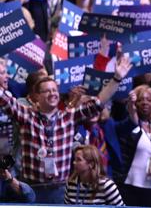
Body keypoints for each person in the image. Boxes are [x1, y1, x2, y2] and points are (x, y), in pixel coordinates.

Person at [0, 57, 131, 204]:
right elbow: (4, 98)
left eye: (54, 90)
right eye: (47, 91)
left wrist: (117, 78)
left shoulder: (69, 117)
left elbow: (99, 101)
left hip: (60, 190)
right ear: (37, 96)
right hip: (30, 189)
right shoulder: (25, 115)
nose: (52, 93)